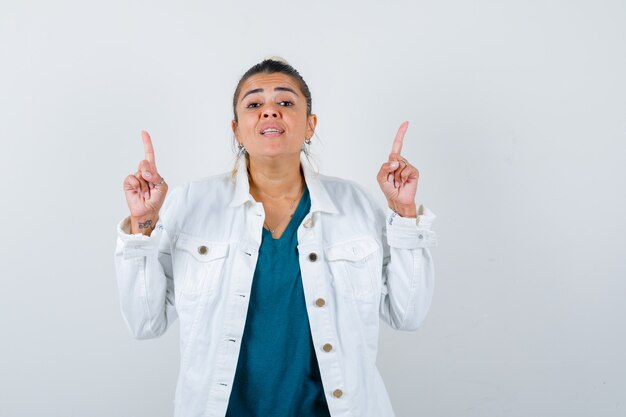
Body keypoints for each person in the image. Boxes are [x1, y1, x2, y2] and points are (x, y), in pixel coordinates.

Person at [115, 57, 437, 417]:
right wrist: (142, 223)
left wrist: (405, 214)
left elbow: (407, 314)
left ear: (310, 125)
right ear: (236, 129)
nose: (270, 112)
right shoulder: (192, 203)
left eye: (285, 102)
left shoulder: (356, 205)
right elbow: (145, 321)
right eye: (255, 104)